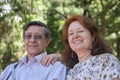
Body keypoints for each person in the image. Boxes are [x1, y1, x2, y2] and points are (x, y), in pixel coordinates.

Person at [41, 15, 120, 80]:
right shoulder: (69, 70)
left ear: (93, 36)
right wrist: (57, 56)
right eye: (71, 33)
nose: (75, 36)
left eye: (80, 31)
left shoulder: (106, 61)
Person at [0, 21, 66, 80]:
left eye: (38, 36)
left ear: (47, 42)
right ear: (24, 40)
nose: (32, 40)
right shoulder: (10, 69)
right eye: (28, 36)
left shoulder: (56, 68)